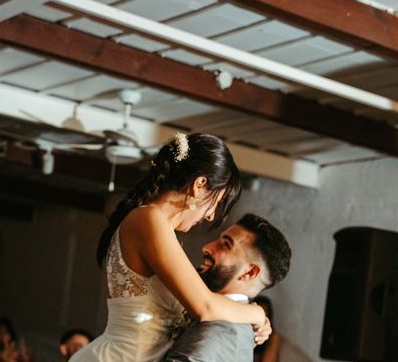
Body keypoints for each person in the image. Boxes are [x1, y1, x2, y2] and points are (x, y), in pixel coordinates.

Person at [71, 133, 270, 362]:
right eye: (215, 202)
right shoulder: (148, 220)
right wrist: (257, 313)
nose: (210, 215)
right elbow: (204, 306)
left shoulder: (158, 226)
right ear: (199, 185)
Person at [164, 213, 292, 362]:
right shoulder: (240, 322)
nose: (206, 247)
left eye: (225, 245)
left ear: (249, 272)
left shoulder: (219, 336)